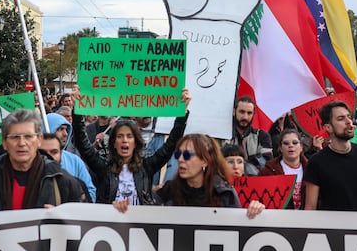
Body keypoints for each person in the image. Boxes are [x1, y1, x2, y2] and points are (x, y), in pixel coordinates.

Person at [0, 109, 87, 213]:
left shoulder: (61, 179)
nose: (22, 143)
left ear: (39, 140)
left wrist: (63, 219)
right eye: (15, 137)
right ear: (4, 142)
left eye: (28, 136)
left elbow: (84, 221)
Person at [72, 88, 191, 205]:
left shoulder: (147, 167)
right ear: (114, 143)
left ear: (136, 143)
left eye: (129, 136)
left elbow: (171, 144)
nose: (124, 140)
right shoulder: (104, 167)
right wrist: (77, 111)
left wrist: (183, 112)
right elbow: (83, 144)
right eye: (120, 136)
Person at [115, 133, 264, 218]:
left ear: (205, 160)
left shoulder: (224, 193)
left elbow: (238, 231)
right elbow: (146, 218)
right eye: (178, 154)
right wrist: (125, 210)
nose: (180, 159)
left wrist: (253, 213)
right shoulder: (168, 191)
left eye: (187, 155)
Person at [303, 101, 357, 211]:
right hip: (332, 225)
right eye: (341, 119)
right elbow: (310, 207)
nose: (348, 122)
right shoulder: (316, 162)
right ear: (328, 127)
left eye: (348, 117)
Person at [45, 113, 96, 200]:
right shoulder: (35, 161)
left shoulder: (74, 160)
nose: (65, 134)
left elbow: (90, 191)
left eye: (66, 129)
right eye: (60, 129)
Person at [259, 129, 307, 209]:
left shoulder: (311, 169)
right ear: (280, 148)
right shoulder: (268, 171)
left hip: (308, 219)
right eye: (286, 143)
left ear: (301, 147)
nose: (291, 146)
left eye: (295, 143)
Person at [226, 96, 273, 172]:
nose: (245, 117)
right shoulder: (223, 136)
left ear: (253, 114)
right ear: (234, 112)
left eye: (249, 113)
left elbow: (266, 162)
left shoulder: (262, 136)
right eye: (242, 112)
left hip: (254, 181)